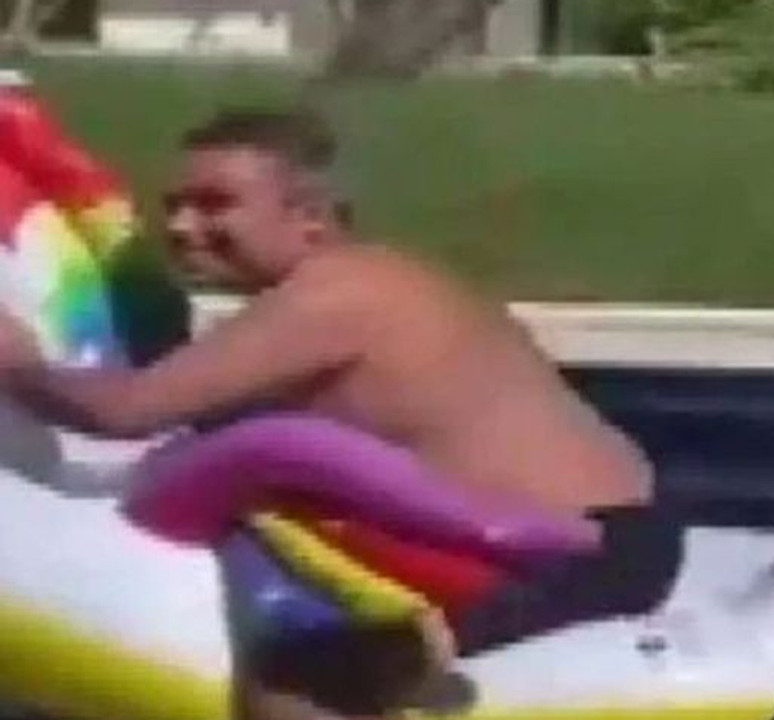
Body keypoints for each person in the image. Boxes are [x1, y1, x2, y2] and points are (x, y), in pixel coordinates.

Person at [0, 108, 679, 718]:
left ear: (312, 216)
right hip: (594, 535)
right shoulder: (363, 283)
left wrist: (15, 358)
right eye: (175, 205)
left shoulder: (336, 296)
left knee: (297, 676)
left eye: (215, 205)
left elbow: (123, 411)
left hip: (576, 556)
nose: (180, 227)